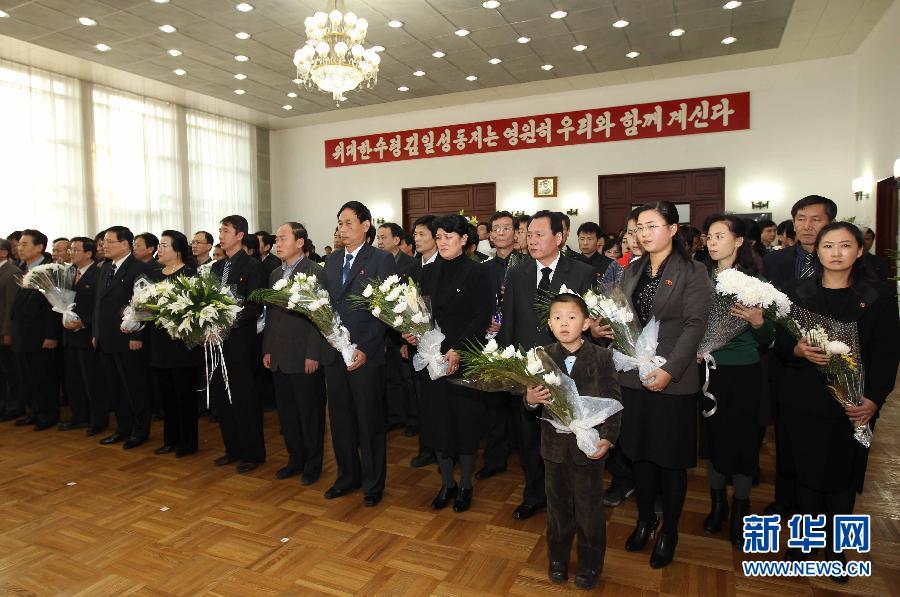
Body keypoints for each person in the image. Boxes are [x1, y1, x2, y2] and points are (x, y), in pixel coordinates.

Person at [774, 222, 898, 580]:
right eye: (829, 246)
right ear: (817, 251)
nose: (836, 253)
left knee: (844, 478)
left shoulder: (879, 296)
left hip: (853, 403)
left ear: (859, 251)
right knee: (805, 476)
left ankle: (836, 549)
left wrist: (874, 399)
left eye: (845, 246)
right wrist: (795, 348)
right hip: (803, 400)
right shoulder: (796, 293)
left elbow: (888, 354)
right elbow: (779, 342)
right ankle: (803, 544)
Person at [614, 201, 711, 568]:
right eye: (639, 227)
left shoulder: (692, 271)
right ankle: (645, 519)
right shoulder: (632, 270)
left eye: (652, 225)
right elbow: (624, 318)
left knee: (670, 460)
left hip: (673, 379)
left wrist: (671, 369)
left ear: (672, 229)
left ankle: (669, 530)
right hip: (634, 378)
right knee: (638, 453)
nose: (644, 233)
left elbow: (695, 325)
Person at [499, 210, 595, 520]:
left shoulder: (581, 273)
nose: (532, 240)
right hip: (529, 372)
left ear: (559, 237)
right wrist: (510, 369)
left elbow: (590, 324)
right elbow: (509, 324)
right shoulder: (517, 273)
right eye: (529, 234)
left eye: (540, 234)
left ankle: (568, 498)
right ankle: (534, 493)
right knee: (529, 439)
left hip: (568, 370)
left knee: (567, 437)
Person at [525, 293, 622, 590]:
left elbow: (613, 400)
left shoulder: (602, 357)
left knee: (589, 508)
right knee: (557, 506)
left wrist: (608, 438)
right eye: (557, 318)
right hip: (554, 447)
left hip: (589, 447)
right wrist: (529, 400)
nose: (564, 323)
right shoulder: (541, 356)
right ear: (550, 324)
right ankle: (557, 558)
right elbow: (530, 398)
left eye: (571, 317)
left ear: (586, 323)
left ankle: (591, 564)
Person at [403, 214, 493, 513]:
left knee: (463, 425)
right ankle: (446, 484)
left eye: (448, 237)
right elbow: (420, 312)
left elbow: (481, 317)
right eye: (439, 237)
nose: (442, 242)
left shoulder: (476, 272)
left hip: (463, 357)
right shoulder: (428, 271)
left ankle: (465, 484)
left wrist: (458, 350)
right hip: (433, 358)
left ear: (464, 240)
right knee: (437, 422)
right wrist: (413, 333)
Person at [701, 215, 774, 546]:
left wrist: (760, 323)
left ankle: (741, 507)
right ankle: (717, 504)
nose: (712, 242)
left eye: (719, 236)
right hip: (708, 371)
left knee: (743, 440)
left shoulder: (754, 282)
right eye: (709, 236)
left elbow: (770, 337)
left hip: (744, 370)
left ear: (739, 241)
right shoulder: (699, 276)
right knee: (714, 438)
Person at [763, 195, 837, 518]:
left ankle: (819, 507)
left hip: (832, 365)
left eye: (816, 219)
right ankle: (785, 501)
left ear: (830, 223)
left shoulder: (840, 262)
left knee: (825, 444)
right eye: (801, 219)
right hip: (786, 359)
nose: (807, 227)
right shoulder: (776, 262)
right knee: (786, 437)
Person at [321, 201, 396, 507]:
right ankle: (346, 476)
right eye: (340, 223)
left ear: (366, 226)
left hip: (366, 354)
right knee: (340, 419)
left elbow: (386, 310)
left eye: (349, 222)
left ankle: (373, 483)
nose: (343, 228)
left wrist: (365, 348)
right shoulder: (332, 260)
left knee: (369, 421)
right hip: (336, 354)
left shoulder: (380, 260)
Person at [263, 222, 328, 485]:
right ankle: (295, 459)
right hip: (279, 354)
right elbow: (271, 316)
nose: (277, 243)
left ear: (300, 242)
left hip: (304, 355)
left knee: (309, 413)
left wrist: (313, 353)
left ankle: (313, 464)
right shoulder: (275, 273)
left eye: (283, 238)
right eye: (276, 239)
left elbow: (320, 316)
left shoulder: (315, 272)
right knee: (287, 414)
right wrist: (267, 348)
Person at [210, 215, 268, 473]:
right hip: (216, 343)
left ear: (239, 234)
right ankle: (231, 448)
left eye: (225, 230)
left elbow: (255, 306)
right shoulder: (215, 268)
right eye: (220, 230)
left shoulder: (253, 266)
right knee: (223, 398)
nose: (220, 235)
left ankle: (252, 453)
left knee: (244, 398)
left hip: (241, 343)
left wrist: (228, 321)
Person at [93, 226, 152, 449]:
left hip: (128, 339)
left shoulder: (139, 268)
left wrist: (138, 335)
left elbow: (144, 306)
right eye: (103, 242)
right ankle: (122, 428)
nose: (104, 246)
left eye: (109, 242)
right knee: (114, 387)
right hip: (106, 338)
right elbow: (98, 304)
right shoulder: (105, 268)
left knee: (134, 387)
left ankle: (140, 430)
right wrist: (96, 333)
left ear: (125, 244)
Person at [477, 211, 522, 481]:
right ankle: (495, 458)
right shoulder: (482, 268)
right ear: (491, 236)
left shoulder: (528, 266)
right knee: (493, 403)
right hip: (491, 343)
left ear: (516, 233)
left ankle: (524, 454)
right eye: (496, 229)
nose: (501, 233)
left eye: (507, 228)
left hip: (519, 342)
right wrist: (486, 324)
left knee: (520, 403)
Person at [149, 231, 201, 458]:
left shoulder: (190, 274)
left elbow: (197, 308)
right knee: (166, 394)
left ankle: (187, 442)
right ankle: (170, 439)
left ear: (177, 250)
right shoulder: (154, 275)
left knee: (184, 394)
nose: (159, 249)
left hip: (182, 345)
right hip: (160, 343)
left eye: (163, 245)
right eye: (159, 246)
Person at [10, 229, 61, 431]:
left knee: (43, 377)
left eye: (24, 244)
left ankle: (48, 415)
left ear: (39, 247)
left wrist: (51, 335)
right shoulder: (24, 268)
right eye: (19, 244)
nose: (19, 248)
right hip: (23, 333)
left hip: (40, 335)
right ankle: (34, 412)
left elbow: (53, 307)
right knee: (28, 377)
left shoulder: (48, 270)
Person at [60, 237, 108, 435]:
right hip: (70, 335)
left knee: (92, 380)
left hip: (88, 335)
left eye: (75, 249)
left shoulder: (98, 273)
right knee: (73, 379)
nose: (71, 252)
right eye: (70, 249)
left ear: (88, 253)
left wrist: (84, 322)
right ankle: (78, 416)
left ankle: (97, 420)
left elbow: (100, 306)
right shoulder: (68, 273)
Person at [375, 222, 417, 434]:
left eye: (384, 237)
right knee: (390, 378)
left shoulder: (410, 264)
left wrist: (404, 337)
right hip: (385, 331)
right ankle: (395, 416)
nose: (379, 242)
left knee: (407, 378)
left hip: (405, 333)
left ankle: (413, 420)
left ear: (397, 240)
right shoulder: (377, 263)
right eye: (378, 238)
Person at [406, 214, 440, 468]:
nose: (416, 239)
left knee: (440, 401)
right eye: (415, 234)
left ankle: (444, 451)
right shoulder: (412, 267)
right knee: (421, 399)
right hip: (417, 343)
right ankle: (426, 447)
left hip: (442, 345)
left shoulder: (445, 265)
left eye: (422, 234)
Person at [0, 239, 23, 422]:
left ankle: (14, 407)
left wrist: (7, 332)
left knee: (10, 372)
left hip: (3, 331)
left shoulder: (11, 272)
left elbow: (10, 307)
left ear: (4, 253)